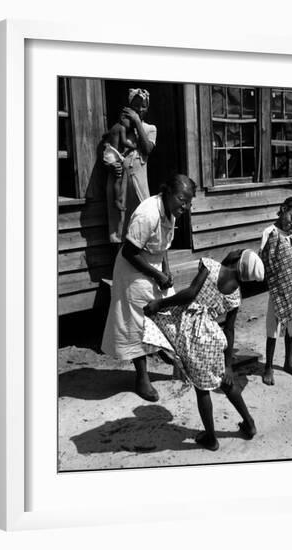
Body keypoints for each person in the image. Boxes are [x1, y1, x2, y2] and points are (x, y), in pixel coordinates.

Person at [142, 249, 265, 451]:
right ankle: (249, 423)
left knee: (201, 389)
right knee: (225, 382)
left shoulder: (211, 266)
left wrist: (160, 303)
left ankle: (210, 437)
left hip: (193, 334)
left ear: (237, 259)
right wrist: (228, 366)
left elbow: (190, 294)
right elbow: (229, 329)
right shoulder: (236, 296)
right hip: (214, 339)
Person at [101, 174, 196, 402]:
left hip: (153, 267)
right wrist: (157, 274)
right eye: (183, 200)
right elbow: (129, 252)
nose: (186, 206)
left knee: (168, 313)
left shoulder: (171, 211)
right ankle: (141, 378)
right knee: (137, 324)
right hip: (133, 271)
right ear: (169, 193)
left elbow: (162, 246)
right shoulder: (148, 214)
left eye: (189, 201)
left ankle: (175, 361)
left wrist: (166, 270)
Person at [260, 196, 292, 386]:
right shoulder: (270, 232)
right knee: (274, 327)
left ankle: (288, 362)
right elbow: (265, 258)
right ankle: (268, 367)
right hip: (279, 289)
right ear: (283, 209)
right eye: (291, 218)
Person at [105, 88, 157, 243]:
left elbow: (147, 149)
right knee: (119, 219)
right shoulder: (120, 127)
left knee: (144, 214)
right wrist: (110, 165)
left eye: (143, 106)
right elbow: (107, 151)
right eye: (135, 106)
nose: (139, 110)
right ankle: (119, 257)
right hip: (120, 178)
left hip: (138, 179)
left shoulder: (149, 128)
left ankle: (143, 253)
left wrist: (136, 122)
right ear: (128, 107)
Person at [102, 111, 137, 241]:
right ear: (123, 118)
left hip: (109, 151)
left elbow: (104, 136)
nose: (129, 127)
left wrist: (108, 142)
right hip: (113, 155)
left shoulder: (113, 128)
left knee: (118, 177)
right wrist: (133, 145)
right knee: (118, 178)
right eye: (130, 123)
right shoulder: (122, 127)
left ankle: (117, 200)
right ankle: (117, 200)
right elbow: (123, 141)